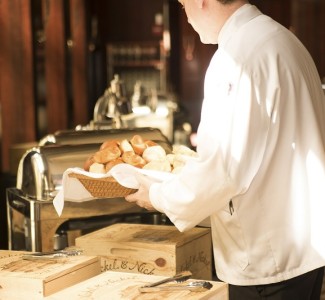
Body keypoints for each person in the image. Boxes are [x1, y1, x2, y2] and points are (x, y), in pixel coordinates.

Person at [125, 0, 325, 299]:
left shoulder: (236, 57)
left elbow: (223, 170)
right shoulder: (283, 39)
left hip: (267, 260)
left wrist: (156, 195)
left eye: (183, 5)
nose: (187, 16)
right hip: (306, 247)